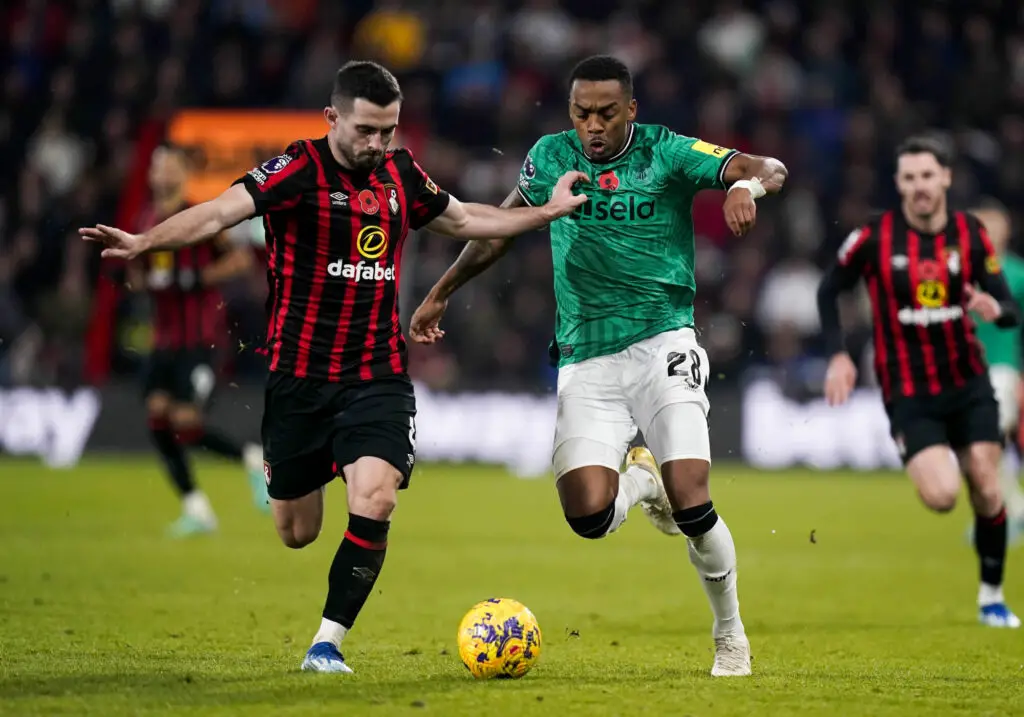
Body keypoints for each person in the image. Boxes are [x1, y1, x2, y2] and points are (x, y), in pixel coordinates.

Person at [82, 60, 588, 674]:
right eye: (365, 130)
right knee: (296, 532)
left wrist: (545, 213)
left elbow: (463, 219)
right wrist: (144, 241)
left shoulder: (401, 173)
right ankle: (301, 470)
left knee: (376, 497)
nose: (377, 143)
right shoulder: (297, 169)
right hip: (298, 380)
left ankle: (326, 644)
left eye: (388, 131)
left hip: (377, 374)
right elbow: (217, 213)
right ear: (332, 118)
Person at [409, 55, 788, 677]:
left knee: (693, 501)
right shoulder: (551, 156)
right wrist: (442, 290)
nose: (593, 125)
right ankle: (641, 481)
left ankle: (730, 634)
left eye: (607, 113)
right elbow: (500, 229)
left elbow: (768, 166)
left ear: (630, 110)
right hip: (587, 358)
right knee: (588, 515)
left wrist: (744, 187)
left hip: (664, 344)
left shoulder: (667, 152)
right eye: (581, 112)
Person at [817, 135, 1020, 629]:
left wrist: (996, 309)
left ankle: (992, 598)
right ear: (899, 183)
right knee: (943, 497)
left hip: (969, 383)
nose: (919, 186)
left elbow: (1008, 306)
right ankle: (936, 457)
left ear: (945, 178)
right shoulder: (874, 237)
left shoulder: (970, 234)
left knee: (987, 486)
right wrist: (838, 354)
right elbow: (828, 290)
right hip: (909, 392)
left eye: (928, 176)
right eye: (909, 178)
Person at [128, 143, 267, 537]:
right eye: (158, 167)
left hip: (200, 339)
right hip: (163, 341)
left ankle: (253, 457)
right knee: (157, 416)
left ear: (182, 173)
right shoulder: (146, 219)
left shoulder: (198, 217)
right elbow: (138, 273)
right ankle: (196, 507)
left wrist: (199, 277)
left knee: (186, 423)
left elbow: (240, 260)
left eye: (170, 166)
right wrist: (139, 279)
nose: (163, 173)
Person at [968, 202, 1024, 540]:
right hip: (968, 370)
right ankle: (1010, 509)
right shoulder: (962, 271)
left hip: (1003, 368)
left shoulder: (1017, 273)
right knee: (981, 447)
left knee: (987, 441)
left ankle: (1004, 514)